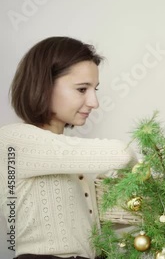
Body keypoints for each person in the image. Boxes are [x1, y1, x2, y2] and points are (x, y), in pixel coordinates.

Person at [0, 36, 136, 259]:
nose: (94, 102)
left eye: (95, 90)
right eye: (82, 89)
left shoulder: (73, 163)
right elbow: (122, 153)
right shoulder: (12, 141)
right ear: (44, 85)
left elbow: (88, 230)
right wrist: (138, 170)